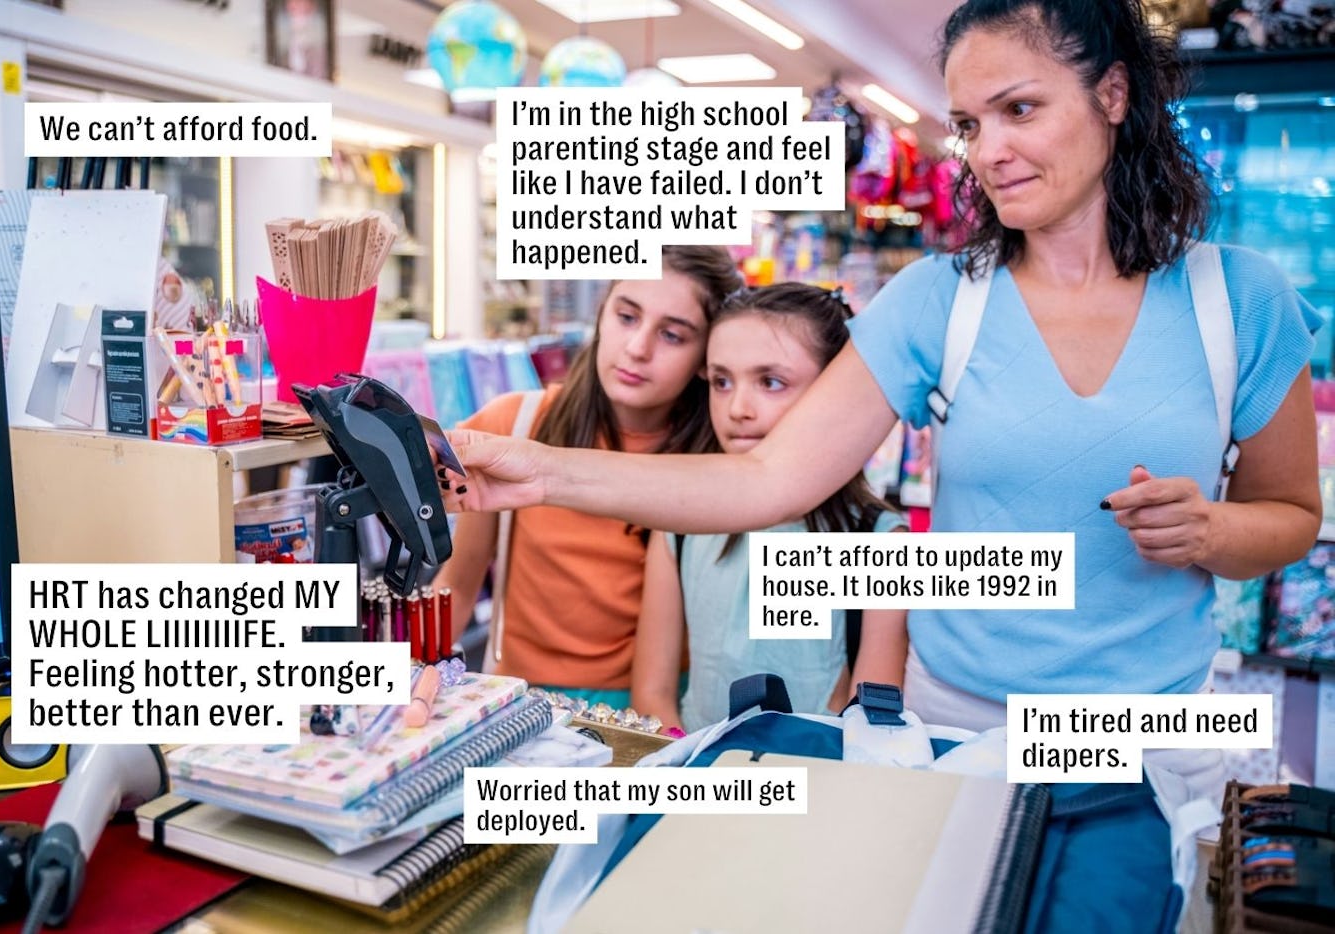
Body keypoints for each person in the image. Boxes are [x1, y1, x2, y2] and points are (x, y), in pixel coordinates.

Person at [447, 0, 1320, 734]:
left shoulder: (1239, 300)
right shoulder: (939, 299)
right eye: (971, 125)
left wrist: (1211, 533)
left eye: (1020, 110)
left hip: (1154, 724)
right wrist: (541, 470)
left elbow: (1287, 516)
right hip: (963, 721)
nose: (988, 152)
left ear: (1113, 93)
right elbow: (763, 483)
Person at [433, 245, 742, 710]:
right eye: (626, 316)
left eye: (673, 335)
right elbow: (456, 588)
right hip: (518, 707)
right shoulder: (512, 425)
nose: (638, 348)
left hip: (658, 714)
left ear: (707, 356)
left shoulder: (716, 463)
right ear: (602, 314)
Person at [632, 283, 909, 733]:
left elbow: (875, 722)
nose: (738, 408)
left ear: (837, 392)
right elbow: (652, 692)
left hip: (826, 787)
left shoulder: (878, 539)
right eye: (721, 381)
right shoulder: (680, 526)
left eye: (771, 382)